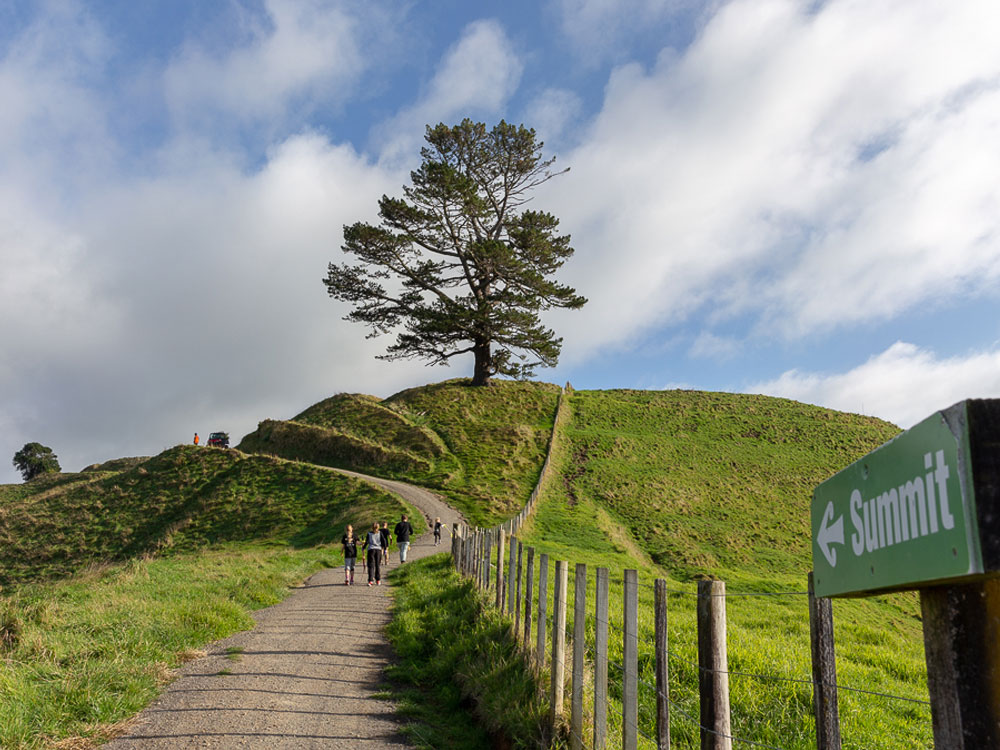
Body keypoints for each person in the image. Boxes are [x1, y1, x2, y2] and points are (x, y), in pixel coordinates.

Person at [362, 522, 382, 586]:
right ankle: (378, 580)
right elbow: (384, 541)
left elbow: (367, 541)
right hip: (378, 550)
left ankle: (370, 580)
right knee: (377, 565)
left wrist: (364, 547)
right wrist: (385, 548)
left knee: (371, 565)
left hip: (371, 550)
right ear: (378, 527)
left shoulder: (369, 533)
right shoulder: (380, 533)